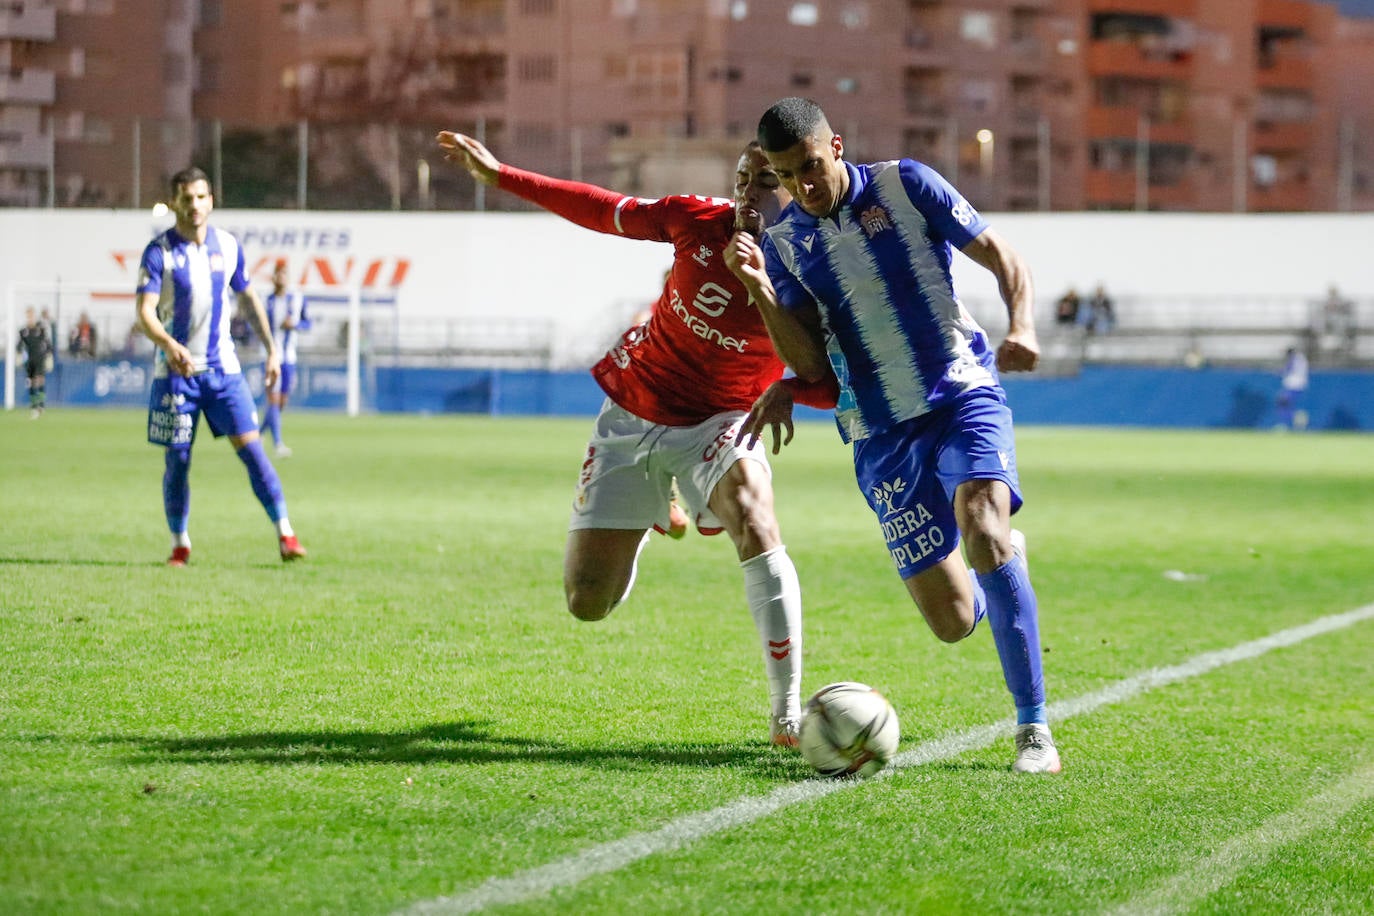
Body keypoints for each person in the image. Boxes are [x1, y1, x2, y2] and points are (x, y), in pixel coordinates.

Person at [437, 129, 838, 746]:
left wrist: (763, 292)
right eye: (740, 180)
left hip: (723, 420)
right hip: (634, 412)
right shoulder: (693, 221)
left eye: (763, 182)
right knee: (586, 603)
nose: (746, 195)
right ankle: (659, 510)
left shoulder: (815, 267)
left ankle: (786, 715)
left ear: (790, 186)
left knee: (756, 518)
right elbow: (601, 208)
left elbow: (820, 370)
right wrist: (503, 177)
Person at [726, 97, 1060, 774]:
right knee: (951, 621)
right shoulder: (785, 247)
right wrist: (758, 286)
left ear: (837, 147)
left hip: (963, 395)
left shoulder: (907, 184)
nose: (804, 186)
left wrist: (1021, 325)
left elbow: (999, 252)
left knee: (983, 523)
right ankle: (1000, 565)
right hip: (880, 435)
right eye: (788, 176)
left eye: (812, 167)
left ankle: (1033, 730)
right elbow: (813, 364)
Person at [134, 166, 307, 566]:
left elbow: (248, 299)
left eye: (200, 197)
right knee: (177, 463)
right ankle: (180, 542)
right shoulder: (159, 252)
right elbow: (144, 313)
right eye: (185, 198)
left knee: (254, 453)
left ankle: (286, 534)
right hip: (175, 376)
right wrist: (167, 343)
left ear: (211, 200)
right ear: (174, 202)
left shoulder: (228, 246)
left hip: (223, 373)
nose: (194, 205)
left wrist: (272, 350)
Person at [259, 259, 309, 457]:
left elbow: (307, 323)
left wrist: (295, 325)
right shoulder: (266, 301)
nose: (281, 277)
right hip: (270, 356)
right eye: (278, 273)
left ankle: (259, 434)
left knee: (281, 402)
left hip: (289, 357)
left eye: (284, 273)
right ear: (273, 277)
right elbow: (255, 324)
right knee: (273, 398)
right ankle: (278, 444)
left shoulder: (297, 299)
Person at [16, 307, 54, 418]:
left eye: (31, 315)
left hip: (40, 358)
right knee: (32, 382)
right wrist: (18, 355)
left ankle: (41, 404)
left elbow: (47, 343)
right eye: (28, 316)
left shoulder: (40, 329)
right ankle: (34, 405)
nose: (30, 318)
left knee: (40, 379)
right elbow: (19, 345)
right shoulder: (24, 331)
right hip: (30, 360)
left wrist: (49, 355)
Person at [1276, 345, 1309, 431]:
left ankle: (1290, 422)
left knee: (1283, 403)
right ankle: (1295, 420)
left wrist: (1280, 372)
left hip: (1293, 385)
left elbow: (1288, 369)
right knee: (1286, 404)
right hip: (1298, 385)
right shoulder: (1301, 358)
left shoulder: (1294, 359)